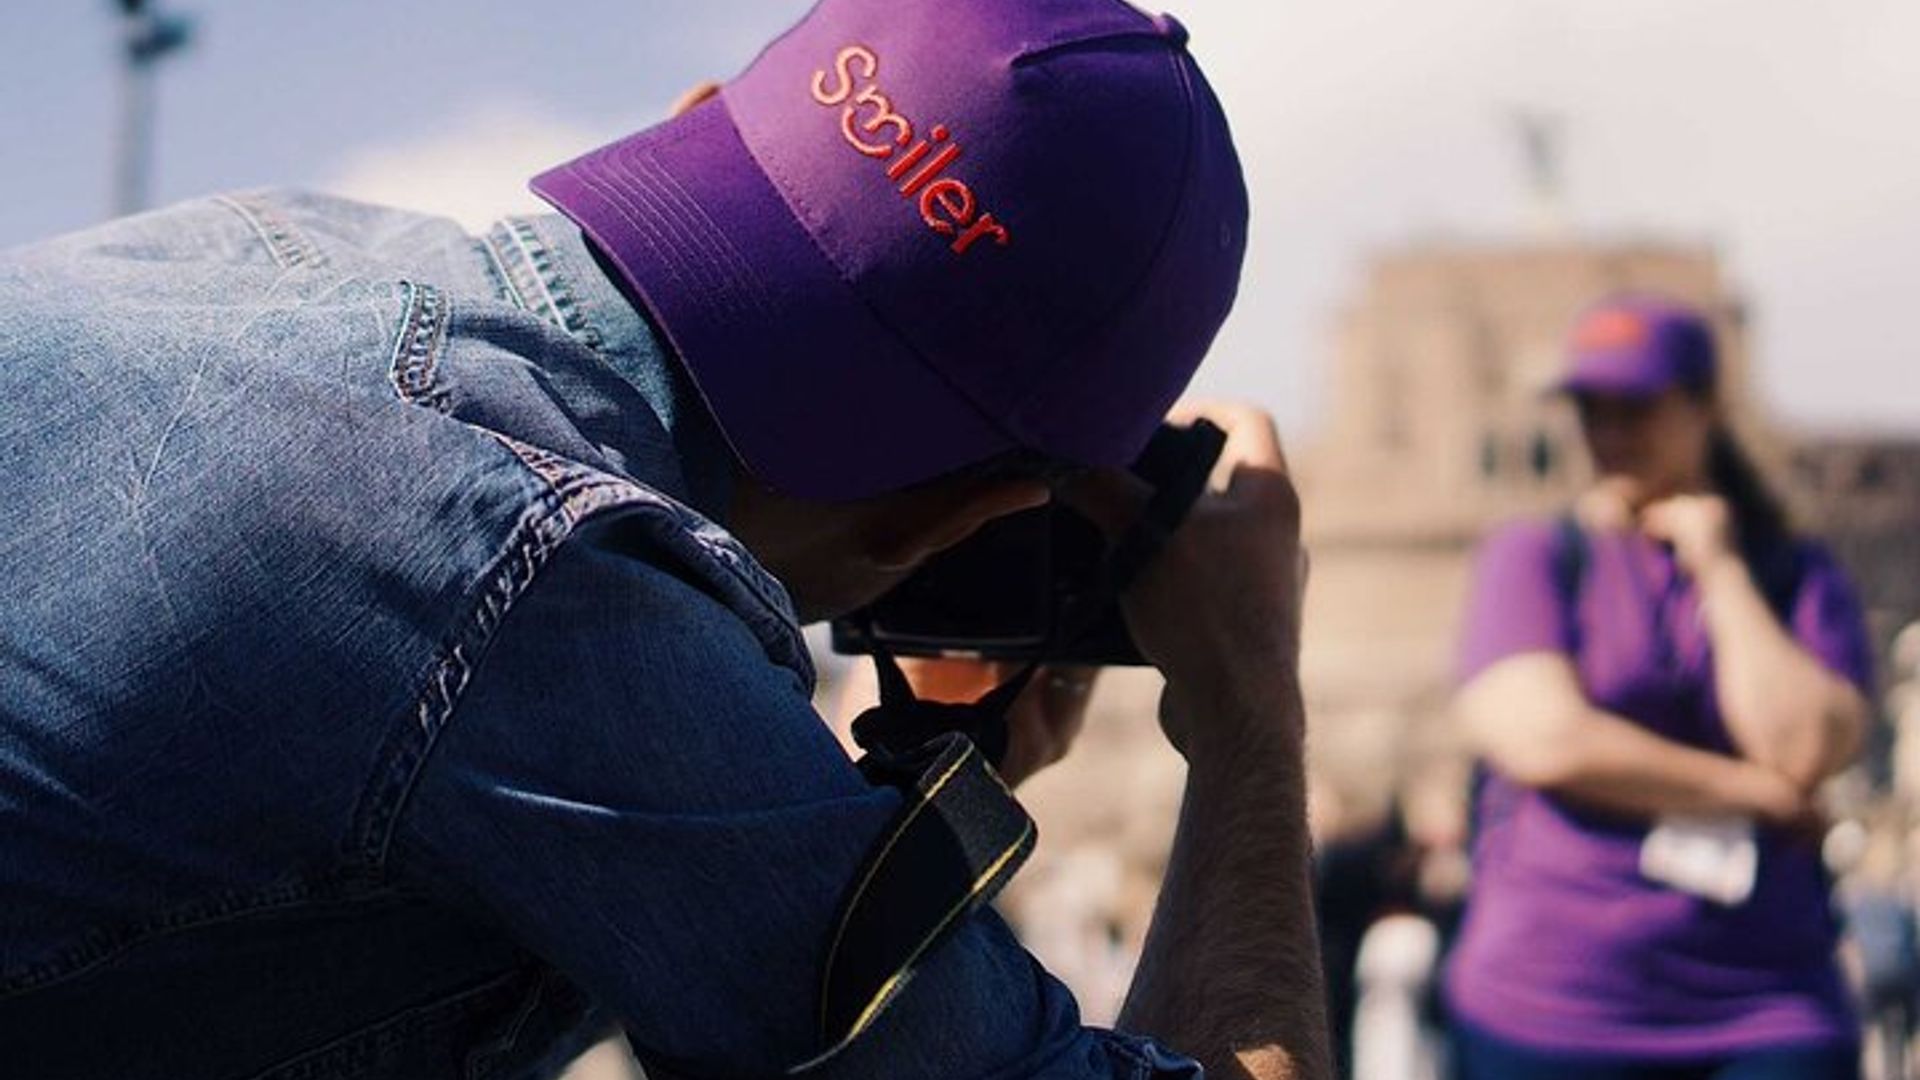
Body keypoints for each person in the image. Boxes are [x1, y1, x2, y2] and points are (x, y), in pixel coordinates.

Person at [0, 0, 1332, 1077]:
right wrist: (1249, 714)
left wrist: (936, 789)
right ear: (959, 517)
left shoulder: (264, 241)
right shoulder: (551, 586)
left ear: (704, 123)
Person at [1446, 296, 1876, 1079]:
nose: (1609, 433)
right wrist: (1756, 791)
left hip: (1768, 1004)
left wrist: (1719, 566)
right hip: (1553, 1005)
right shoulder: (1533, 555)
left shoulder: (1794, 570)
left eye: (1636, 406)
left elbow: (1805, 745)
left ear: (1705, 408)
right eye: (1590, 408)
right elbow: (1545, 739)